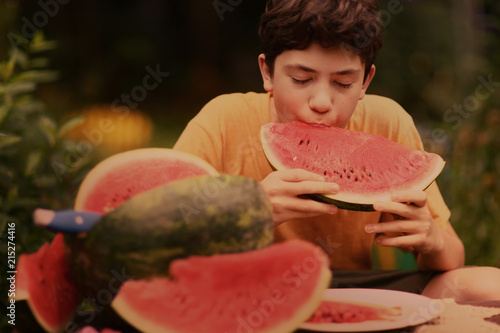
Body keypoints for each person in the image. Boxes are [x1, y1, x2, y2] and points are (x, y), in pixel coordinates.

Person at [173, 0, 500, 301]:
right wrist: (242, 216)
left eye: (343, 83)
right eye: (302, 79)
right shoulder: (223, 119)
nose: (321, 103)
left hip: (348, 290)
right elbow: (161, 243)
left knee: (487, 285)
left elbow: (452, 257)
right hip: (240, 289)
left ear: (365, 82)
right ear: (267, 72)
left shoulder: (387, 122)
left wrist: (432, 240)